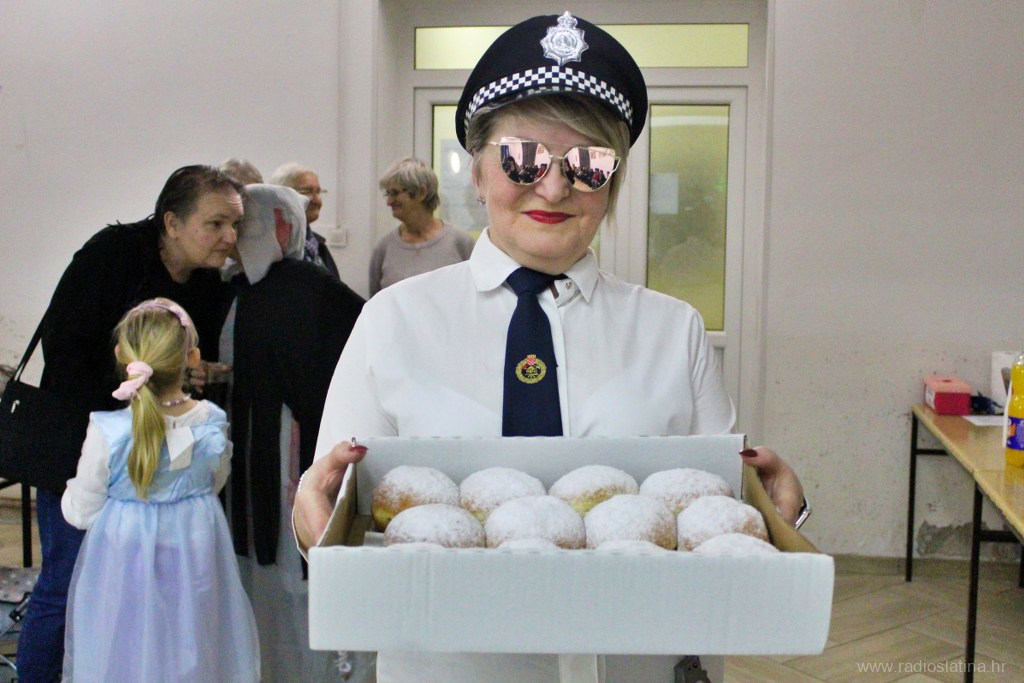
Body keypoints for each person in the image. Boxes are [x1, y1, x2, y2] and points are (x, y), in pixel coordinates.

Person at [294, 12, 805, 683]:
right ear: (478, 173)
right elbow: (337, 509)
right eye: (523, 158)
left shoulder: (674, 332)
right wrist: (312, 526)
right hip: (448, 665)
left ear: (613, 184)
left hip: (636, 661)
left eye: (589, 164)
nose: (555, 187)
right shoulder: (392, 322)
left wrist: (776, 511)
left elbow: (719, 516)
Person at [18, 164, 241, 682]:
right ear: (172, 223)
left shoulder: (209, 280)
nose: (230, 237)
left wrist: (188, 377)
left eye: (235, 224)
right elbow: (65, 351)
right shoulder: (111, 257)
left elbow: (190, 355)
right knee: (65, 585)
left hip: (158, 465)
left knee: (145, 599)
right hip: (82, 447)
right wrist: (136, 394)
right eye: (216, 224)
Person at [60, 298, 259, 682]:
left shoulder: (108, 430)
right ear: (193, 357)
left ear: (122, 356)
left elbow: (81, 512)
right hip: (196, 555)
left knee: (126, 650)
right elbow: (215, 480)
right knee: (194, 644)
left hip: (125, 562)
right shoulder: (212, 421)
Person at [228, 184, 365, 682]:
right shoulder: (244, 289)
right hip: (258, 462)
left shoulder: (309, 290)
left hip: (283, 461)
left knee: (288, 580)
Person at [369, 157, 475, 295]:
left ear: (421, 192)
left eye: (394, 193)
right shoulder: (383, 248)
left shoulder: (461, 242)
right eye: (387, 194)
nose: (389, 202)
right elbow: (375, 302)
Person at [270, 162, 341, 280]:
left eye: (318, 192)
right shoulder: (272, 246)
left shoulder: (317, 244)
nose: (317, 200)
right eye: (308, 191)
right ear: (282, 196)